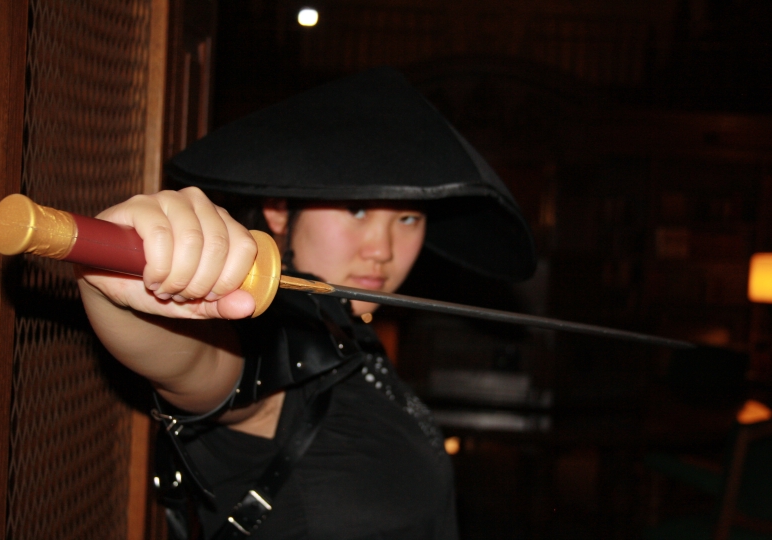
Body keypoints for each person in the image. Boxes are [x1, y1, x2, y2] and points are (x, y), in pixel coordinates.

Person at [77, 68, 536, 539]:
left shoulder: (355, 338)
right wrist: (119, 284)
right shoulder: (266, 328)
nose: (382, 248)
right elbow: (199, 365)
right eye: (356, 209)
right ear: (279, 209)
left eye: (407, 216)